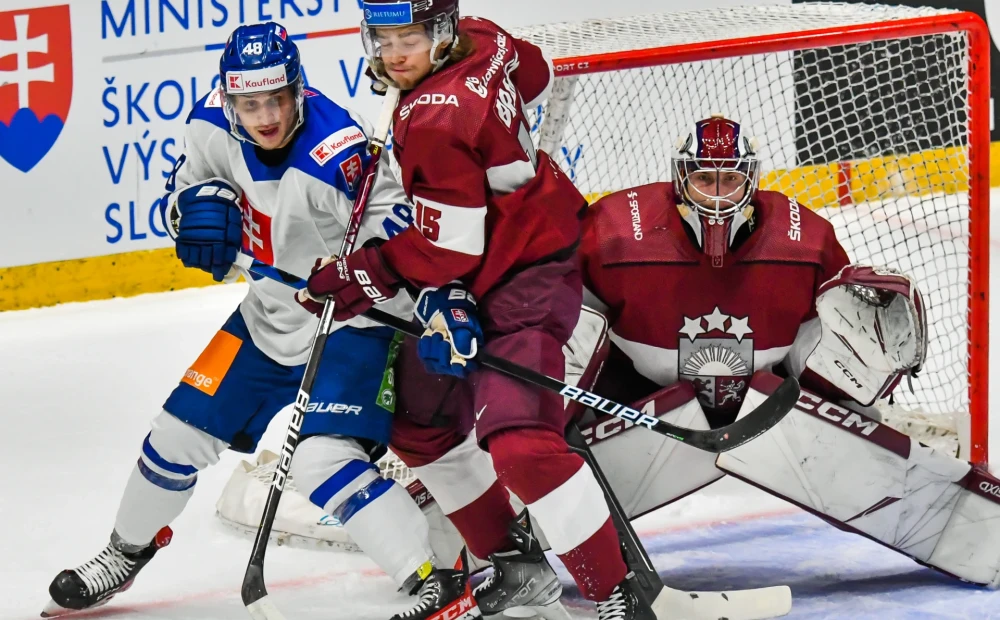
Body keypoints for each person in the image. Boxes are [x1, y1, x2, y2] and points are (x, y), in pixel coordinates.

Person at [42, 21, 457, 617]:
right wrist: (190, 215)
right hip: (266, 318)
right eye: (249, 102)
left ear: (298, 90)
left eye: (277, 100)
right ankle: (122, 553)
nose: (264, 116)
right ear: (228, 96)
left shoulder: (338, 156)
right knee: (174, 437)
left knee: (324, 461)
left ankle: (431, 577)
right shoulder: (209, 125)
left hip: (351, 326)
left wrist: (418, 297)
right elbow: (178, 200)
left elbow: (402, 243)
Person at [298, 1, 664, 618]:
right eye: (382, 40)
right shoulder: (483, 37)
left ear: (440, 32)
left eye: (407, 39)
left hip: (526, 274)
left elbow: (449, 248)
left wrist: (368, 270)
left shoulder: (435, 122)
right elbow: (537, 71)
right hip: (496, 256)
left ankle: (620, 592)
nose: (392, 55)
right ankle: (516, 564)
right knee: (418, 422)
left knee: (520, 443)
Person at [576, 114, 999, 588]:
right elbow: (558, 314)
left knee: (846, 331)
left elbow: (826, 331)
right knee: (569, 327)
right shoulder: (612, 230)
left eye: (731, 179)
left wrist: (858, 383)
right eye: (704, 178)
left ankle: (946, 507)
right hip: (634, 392)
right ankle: (519, 494)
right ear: (680, 180)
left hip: (769, 400)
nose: (717, 193)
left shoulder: (807, 239)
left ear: (751, 180)